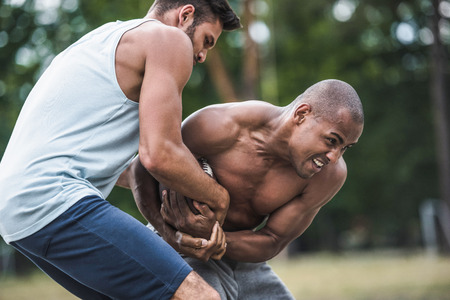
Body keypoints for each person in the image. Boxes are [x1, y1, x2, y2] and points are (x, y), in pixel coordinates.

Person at [0, 1, 241, 299]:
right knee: (201, 297)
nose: (203, 56)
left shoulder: (101, 40)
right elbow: (159, 155)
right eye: (206, 41)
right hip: (54, 196)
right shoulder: (169, 39)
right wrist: (220, 197)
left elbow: (130, 170)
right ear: (186, 14)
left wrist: (172, 229)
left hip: (15, 211)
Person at [120, 79, 364, 299]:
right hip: (179, 244)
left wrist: (217, 238)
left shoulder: (328, 176)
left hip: (242, 255)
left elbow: (273, 240)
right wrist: (170, 235)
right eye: (332, 141)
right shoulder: (220, 125)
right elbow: (142, 167)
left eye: (345, 148)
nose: (334, 157)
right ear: (301, 114)